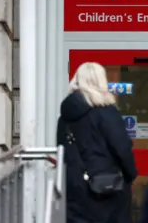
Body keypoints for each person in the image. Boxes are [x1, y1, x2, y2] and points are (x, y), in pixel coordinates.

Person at [56, 62, 138, 223]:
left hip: (75, 192)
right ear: (101, 82)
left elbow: (62, 152)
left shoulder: (65, 119)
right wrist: (131, 174)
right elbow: (122, 148)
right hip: (109, 190)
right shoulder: (107, 113)